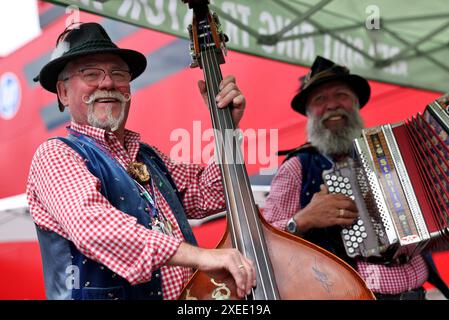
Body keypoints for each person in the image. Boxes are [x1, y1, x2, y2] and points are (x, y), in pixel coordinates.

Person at [26, 22, 255, 300]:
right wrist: (200, 257)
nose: (108, 82)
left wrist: (227, 129)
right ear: (63, 92)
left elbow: (213, 195)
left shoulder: (149, 157)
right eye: (91, 73)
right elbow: (94, 228)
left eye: (118, 73)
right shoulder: (56, 155)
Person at [263, 55, 449, 300]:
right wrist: (301, 221)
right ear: (309, 113)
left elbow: (429, 238)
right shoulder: (298, 167)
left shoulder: (391, 155)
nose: (332, 105)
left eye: (341, 95)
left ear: (356, 103)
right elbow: (262, 241)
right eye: (320, 99)